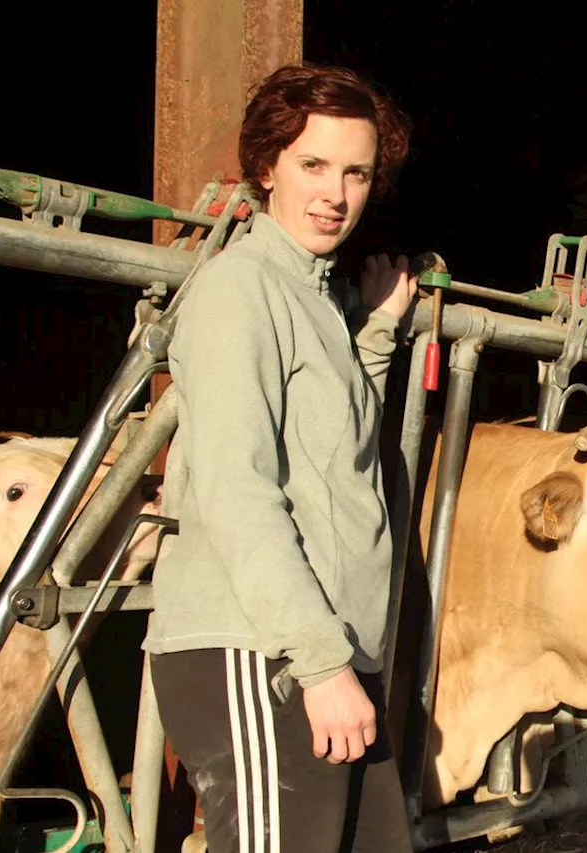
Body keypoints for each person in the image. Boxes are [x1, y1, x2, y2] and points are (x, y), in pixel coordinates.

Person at [142, 63, 418, 853]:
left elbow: (340, 452)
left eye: (356, 171)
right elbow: (236, 489)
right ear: (267, 167)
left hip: (324, 652)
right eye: (312, 164)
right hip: (261, 652)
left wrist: (374, 332)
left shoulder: (318, 299)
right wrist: (322, 662)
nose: (335, 192)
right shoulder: (241, 289)